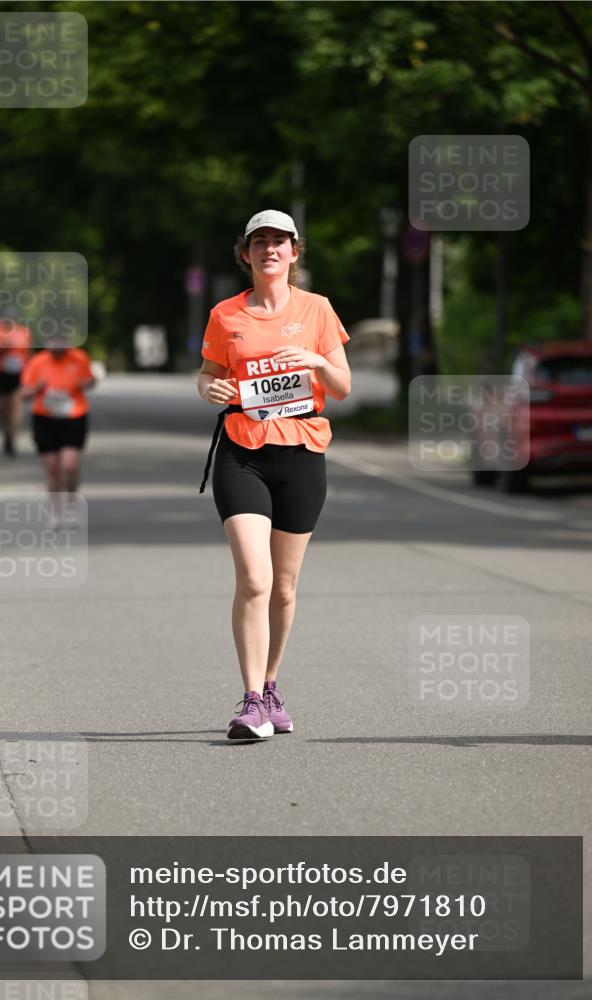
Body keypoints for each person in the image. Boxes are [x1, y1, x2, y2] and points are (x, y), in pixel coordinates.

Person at [197, 210, 351, 740]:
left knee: (283, 588)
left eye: (279, 242)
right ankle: (251, 702)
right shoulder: (225, 315)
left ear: (294, 252)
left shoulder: (317, 310)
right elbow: (210, 375)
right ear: (245, 253)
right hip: (242, 451)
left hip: (302, 453)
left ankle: (271, 685)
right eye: (258, 241)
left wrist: (314, 358)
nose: (269, 250)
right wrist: (209, 390)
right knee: (255, 579)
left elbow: (344, 385)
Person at [20, 335, 96, 528]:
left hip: (74, 415)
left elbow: (91, 380)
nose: (58, 349)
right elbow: (23, 394)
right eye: (53, 345)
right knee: (52, 468)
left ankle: (71, 505)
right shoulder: (37, 362)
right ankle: (55, 512)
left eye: (61, 345)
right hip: (45, 417)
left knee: (70, 466)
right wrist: (37, 388)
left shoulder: (79, 358)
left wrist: (86, 383)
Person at [0, 310, 32, 455]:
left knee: (16, 403)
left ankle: (12, 437)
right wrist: (3, 348)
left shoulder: (24, 332)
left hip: (19, 371)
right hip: (2, 371)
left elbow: (29, 352)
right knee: (4, 406)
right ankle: (6, 431)